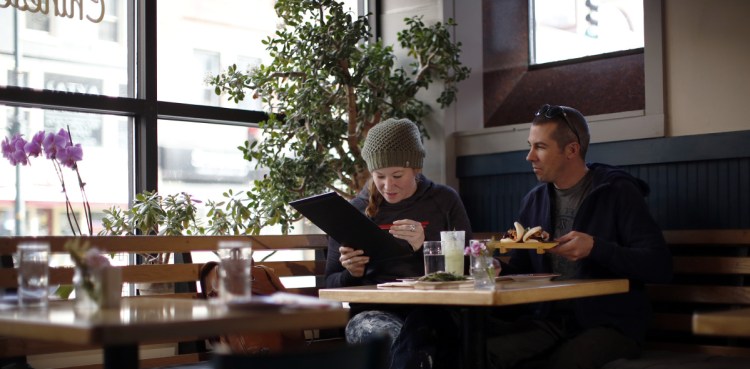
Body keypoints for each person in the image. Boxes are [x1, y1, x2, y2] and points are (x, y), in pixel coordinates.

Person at [487, 104, 673, 369]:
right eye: (530, 145)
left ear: (572, 150)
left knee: (560, 363)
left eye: (540, 147)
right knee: (481, 350)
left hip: (609, 324)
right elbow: (522, 268)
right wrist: (498, 269)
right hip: (549, 320)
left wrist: (596, 248)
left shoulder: (617, 191)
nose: (529, 156)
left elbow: (660, 266)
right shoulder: (534, 200)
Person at [324, 118, 473, 369]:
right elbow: (329, 282)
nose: (387, 186)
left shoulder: (444, 200)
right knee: (409, 344)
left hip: (435, 310)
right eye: (379, 176)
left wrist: (424, 249)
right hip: (371, 313)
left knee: (427, 335)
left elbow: (468, 266)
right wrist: (351, 273)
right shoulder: (355, 211)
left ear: (415, 169)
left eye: (397, 175)